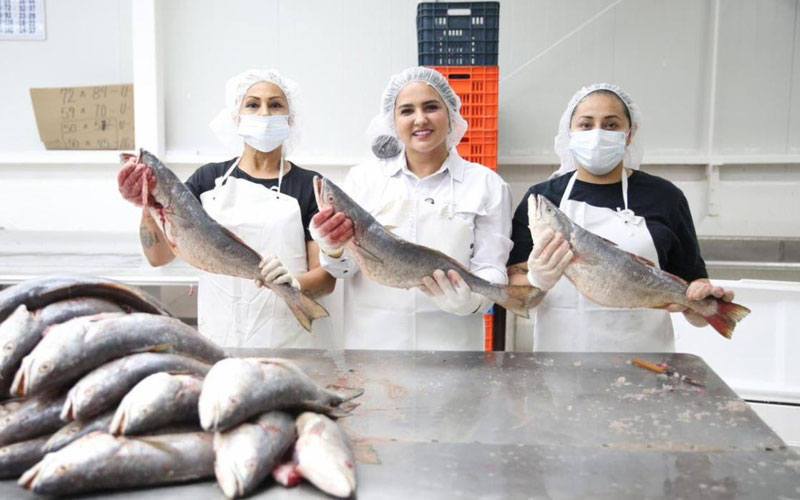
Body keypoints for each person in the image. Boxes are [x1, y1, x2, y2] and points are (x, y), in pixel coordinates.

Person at [507, 83, 736, 352]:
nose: (597, 133)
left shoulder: (665, 197)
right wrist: (537, 280)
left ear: (630, 134)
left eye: (611, 125)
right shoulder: (543, 199)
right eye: (586, 124)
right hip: (560, 363)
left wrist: (704, 302)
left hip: (646, 363)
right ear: (570, 133)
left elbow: (692, 298)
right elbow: (515, 293)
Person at [118, 69, 334, 348]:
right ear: (237, 117)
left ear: (291, 119)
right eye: (253, 104)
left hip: (287, 340)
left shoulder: (308, 187)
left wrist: (295, 285)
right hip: (219, 336)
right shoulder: (206, 181)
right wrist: (148, 205)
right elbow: (158, 257)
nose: (264, 113)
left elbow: (326, 279)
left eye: (276, 105)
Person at [309, 67, 513, 350]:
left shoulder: (487, 185)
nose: (420, 119)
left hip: (454, 351)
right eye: (407, 111)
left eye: (431, 107)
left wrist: (474, 301)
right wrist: (331, 249)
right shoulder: (364, 180)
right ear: (392, 122)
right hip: (376, 352)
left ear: (451, 115)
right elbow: (345, 270)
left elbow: (491, 267)